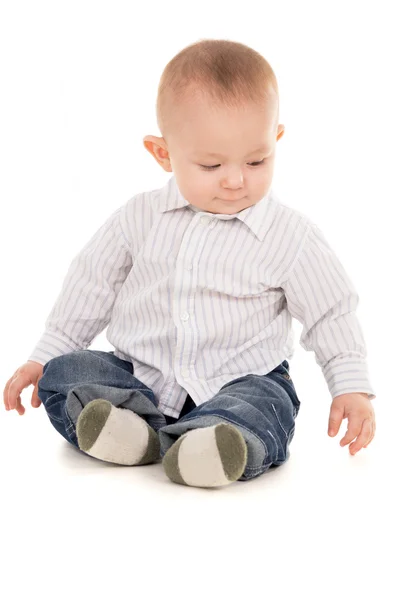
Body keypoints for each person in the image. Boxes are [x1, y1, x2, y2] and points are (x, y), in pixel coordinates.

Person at [2, 38, 376, 488]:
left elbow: (330, 309)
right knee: (67, 374)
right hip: (139, 377)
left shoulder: (289, 235)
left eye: (257, 159)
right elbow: (91, 285)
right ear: (163, 154)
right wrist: (44, 356)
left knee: (267, 403)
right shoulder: (139, 218)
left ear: (276, 138)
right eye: (211, 165)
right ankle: (134, 433)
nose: (236, 179)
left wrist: (350, 384)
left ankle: (214, 442)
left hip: (240, 381)